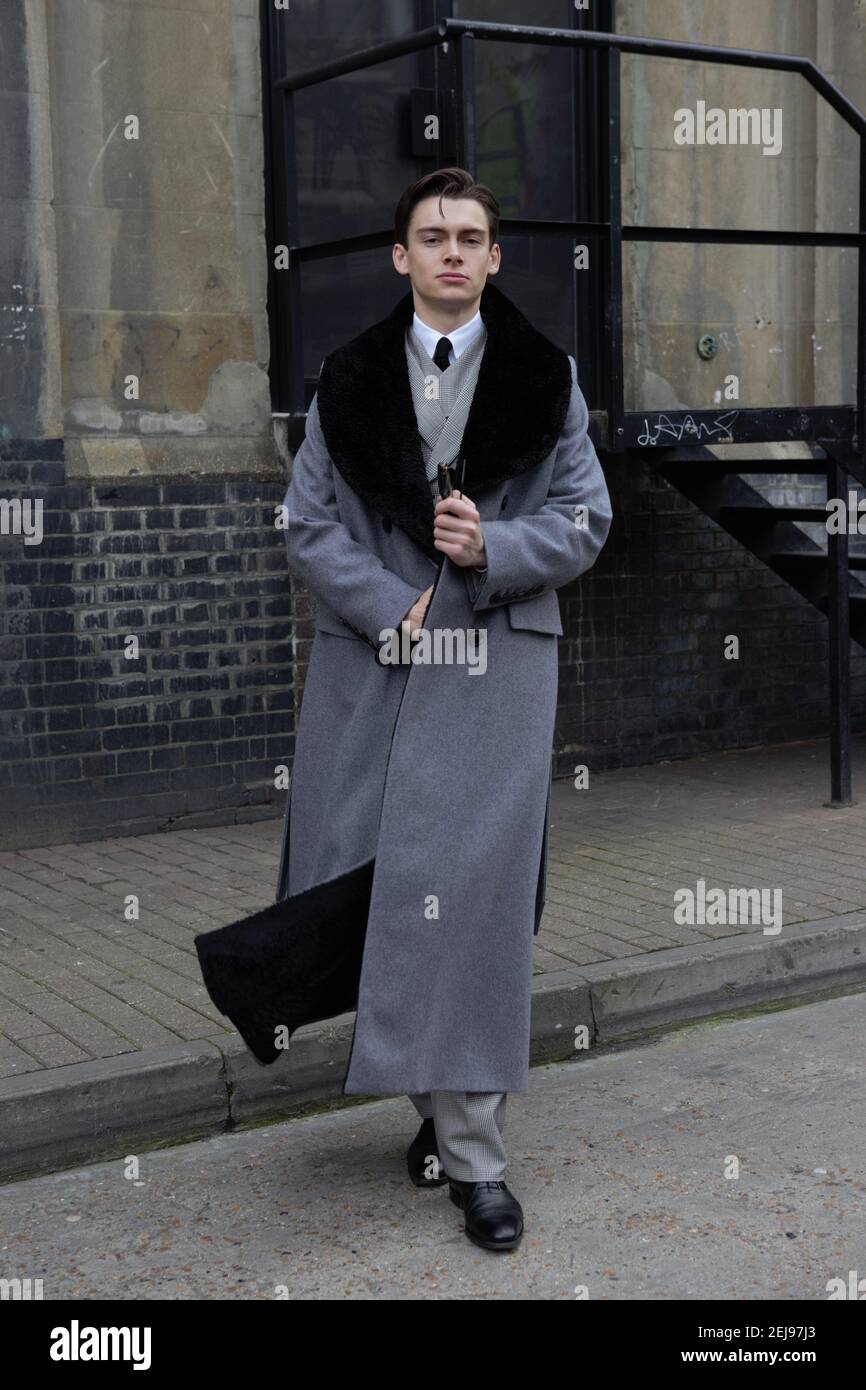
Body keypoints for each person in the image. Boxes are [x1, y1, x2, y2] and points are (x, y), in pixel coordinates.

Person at [276, 167, 613, 1252]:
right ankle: (439, 1110)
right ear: (401, 256)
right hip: (377, 670)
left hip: (496, 676)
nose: (453, 252)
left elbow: (586, 518)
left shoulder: (544, 380)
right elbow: (307, 526)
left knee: (474, 909)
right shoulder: (348, 378)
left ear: (496, 257)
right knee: (378, 892)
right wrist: (396, 603)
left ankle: (474, 1160)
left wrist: (496, 547)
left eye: (471, 236)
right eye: (433, 235)